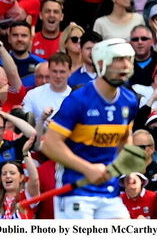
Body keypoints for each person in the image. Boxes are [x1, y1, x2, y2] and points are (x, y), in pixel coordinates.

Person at [41, 38, 140, 219]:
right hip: (75, 191)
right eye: (118, 59)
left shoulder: (130, 100)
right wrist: (88, 169)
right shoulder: (79, 100)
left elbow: (126, 139)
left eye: (128, 59)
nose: (126, 65)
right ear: (101, 63)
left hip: (109, 192)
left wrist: (127, 169)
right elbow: (50, 144)